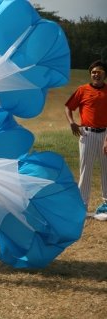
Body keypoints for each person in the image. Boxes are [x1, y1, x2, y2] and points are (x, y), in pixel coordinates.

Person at [65, 60, 107, 214]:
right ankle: (82, 206)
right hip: (87, 134)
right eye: (93, 72)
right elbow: (69, 107)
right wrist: (72, 123)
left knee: (106, 171)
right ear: (90, 74)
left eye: (99, 71)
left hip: (105, 135)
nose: (96, 74)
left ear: (104, 74)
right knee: (85, 171)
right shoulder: (82, 90)